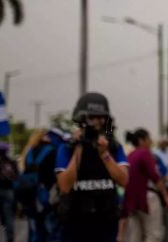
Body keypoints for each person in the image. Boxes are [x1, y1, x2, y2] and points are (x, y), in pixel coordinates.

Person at [55, 92, 130, 242]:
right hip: (75, 223)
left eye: (101, 117)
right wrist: (79, 148)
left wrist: (104, 154)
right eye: (91, 117)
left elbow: (124, 180)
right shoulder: (67, 148)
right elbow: (64, 186)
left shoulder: (114, 147)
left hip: (106, 222)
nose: (96, 122)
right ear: (81, 120)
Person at [123, 128, 168, 242]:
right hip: (147, 197)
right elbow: (155, 176)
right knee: (154, 235)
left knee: (135, 236)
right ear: (141, 140)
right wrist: (166, 197)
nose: (151, 142)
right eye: (149, 139)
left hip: (131, 200)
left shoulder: (129, 155)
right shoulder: (145, 153)